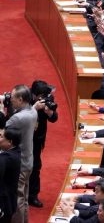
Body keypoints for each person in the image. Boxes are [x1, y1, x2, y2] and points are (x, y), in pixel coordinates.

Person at [3, 84, 37, 223]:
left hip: (19, 164)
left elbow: (3, 131)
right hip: (27, 160)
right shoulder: (32, 111)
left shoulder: (18, 119)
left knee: (17, 199)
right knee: (24, 198)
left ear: (21, 99)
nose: (10, 99)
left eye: (13, 97)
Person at [28, 81, 58, 209]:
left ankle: (33, 195)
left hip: (37, 139)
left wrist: (49, 112)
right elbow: (17, 117)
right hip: (24, 139)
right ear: (34, 94)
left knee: (35, 166)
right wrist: (34, 108)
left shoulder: (47, 98)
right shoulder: (25, 98)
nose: (43, 98)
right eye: (40, 95)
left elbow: (54, 118)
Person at [0, 128, 21, 223]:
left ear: (10, 142)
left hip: (3, 203)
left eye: (1, 137)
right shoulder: (17, 151)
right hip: (10, 199)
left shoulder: (7, 158)